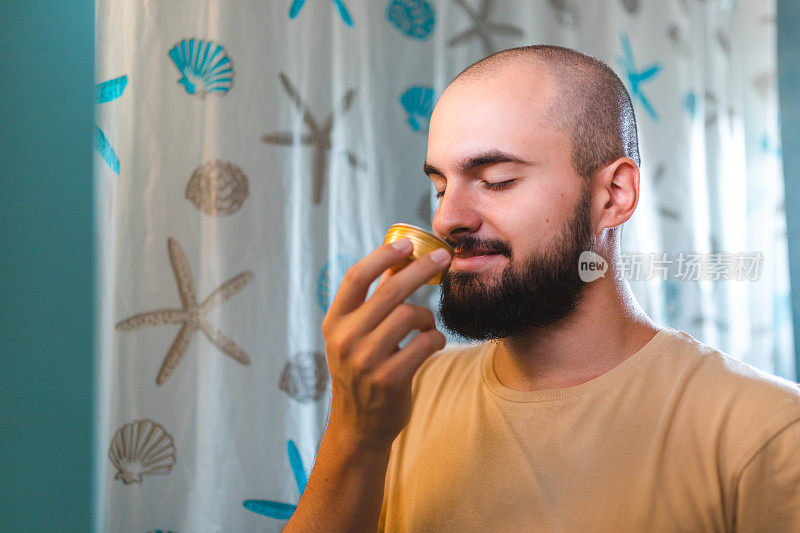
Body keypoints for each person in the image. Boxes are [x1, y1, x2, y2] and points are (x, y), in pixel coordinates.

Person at [284, 45, 800, 532]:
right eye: (440, 185)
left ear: (615, 194)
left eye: (498, 180)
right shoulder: (398, 396)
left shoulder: (771, 431)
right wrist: (354, 432)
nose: (447, 217)